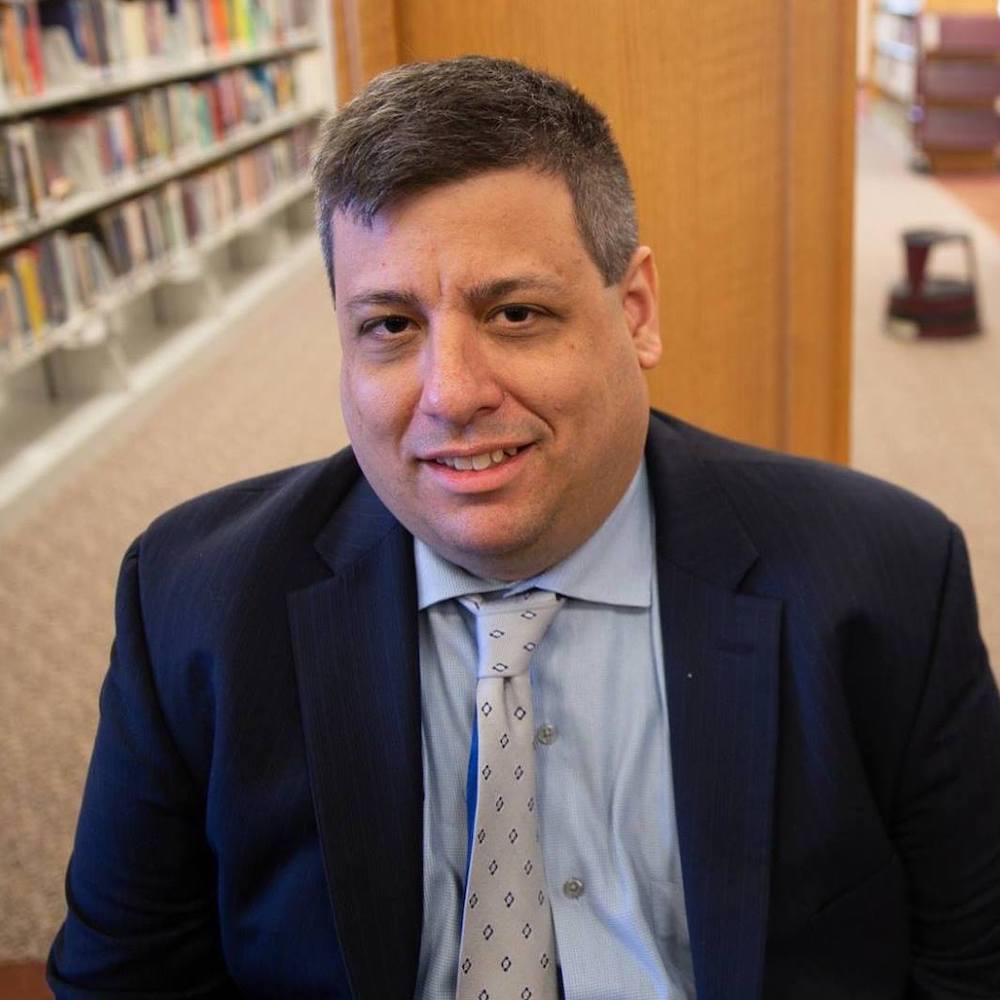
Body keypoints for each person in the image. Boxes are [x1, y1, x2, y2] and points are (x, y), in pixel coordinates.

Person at [48, 56, 1000, 1000]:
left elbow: (972, 967)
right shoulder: (194, 600)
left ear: (635, 314)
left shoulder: (884, 580)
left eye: (514, 313)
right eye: (389, 326)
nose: (452, 394)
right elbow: (124, 981)